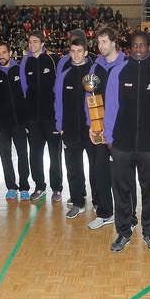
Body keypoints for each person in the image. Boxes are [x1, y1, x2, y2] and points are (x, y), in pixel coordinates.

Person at [103, 32, 150, 253]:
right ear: (130, 48)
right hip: (121, 145)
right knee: (122, 192)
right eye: (135, 45)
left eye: (143, 45)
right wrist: (110, 141)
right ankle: (123, 232)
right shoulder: (118, 72)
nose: (139, 48)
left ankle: (149, 233)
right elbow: (110, 108)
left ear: (149, 47)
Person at [83, 26, 126, 229]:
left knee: (122, 175)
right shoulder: (95, 67)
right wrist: (92, 125)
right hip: (100, 130)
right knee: (100, 171)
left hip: (120, 131)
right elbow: (89, 98)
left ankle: (127, 216)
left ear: (114, 42)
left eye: (104, 41)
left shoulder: (126, 64)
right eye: (98, 42)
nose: (101, 46)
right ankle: (105, 212)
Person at [54, 38, 95, 219]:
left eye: (79, 51)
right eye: (73, 51)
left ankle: (99, 201)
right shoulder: (65, 74)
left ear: (86, 52)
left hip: (90, 129)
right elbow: (58, 102)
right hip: (70, 129)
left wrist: (97, 125)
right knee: (73, 167)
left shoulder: (93, 72)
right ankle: (78, 201)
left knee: (96, 167)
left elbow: (99, 100)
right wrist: (60, 125)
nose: (76, 55)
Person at [20, 31, 63, 202]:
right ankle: (39, 186)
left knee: (55, 154)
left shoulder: (53, 60)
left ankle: (57, 189)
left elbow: (59, 88)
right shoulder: (25, 62)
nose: (32, 45)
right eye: (30, 42)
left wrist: (59, 116)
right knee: (35, 154)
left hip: (50, 117)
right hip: (33, 119)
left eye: (35, 41)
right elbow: (23, 90)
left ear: (43, 43)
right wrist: (26, 117)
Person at [0, 42, 31, 202]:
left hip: (19, 122)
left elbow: (27, 94)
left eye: (4, 52)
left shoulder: (19, 69)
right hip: (1, 124)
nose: (1, 56)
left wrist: (26, 119)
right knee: (5, 156)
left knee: (22, 155)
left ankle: (25, 186)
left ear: (10, 53)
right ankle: (11, 187)